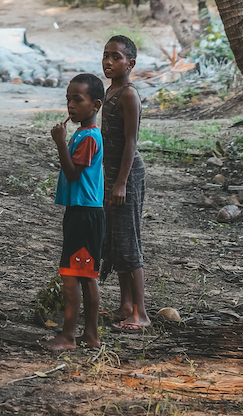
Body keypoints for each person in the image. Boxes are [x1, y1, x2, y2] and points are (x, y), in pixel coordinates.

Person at [41, 72, 105, 352]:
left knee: (72, 275)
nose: (70, 106)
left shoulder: (89, 137)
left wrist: (59, 143)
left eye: (77, 100)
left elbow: (72, 173)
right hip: (83, 212)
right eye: (68, 99)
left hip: (84, 214)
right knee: (86, 275)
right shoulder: (83, 133)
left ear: (96, 105)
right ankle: (90, 335)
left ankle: (68, 336)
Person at [101, 35, 150, 331]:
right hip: (111, 174)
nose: (108, 61)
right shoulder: (110, 91)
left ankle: (140, 313)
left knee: (129, 241)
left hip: (127, 175)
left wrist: (120, 183)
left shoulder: (129, 95)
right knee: (116, 240)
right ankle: (125, 305)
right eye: (106, 55)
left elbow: (131, 142)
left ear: (130, 64)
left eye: (116, 57)